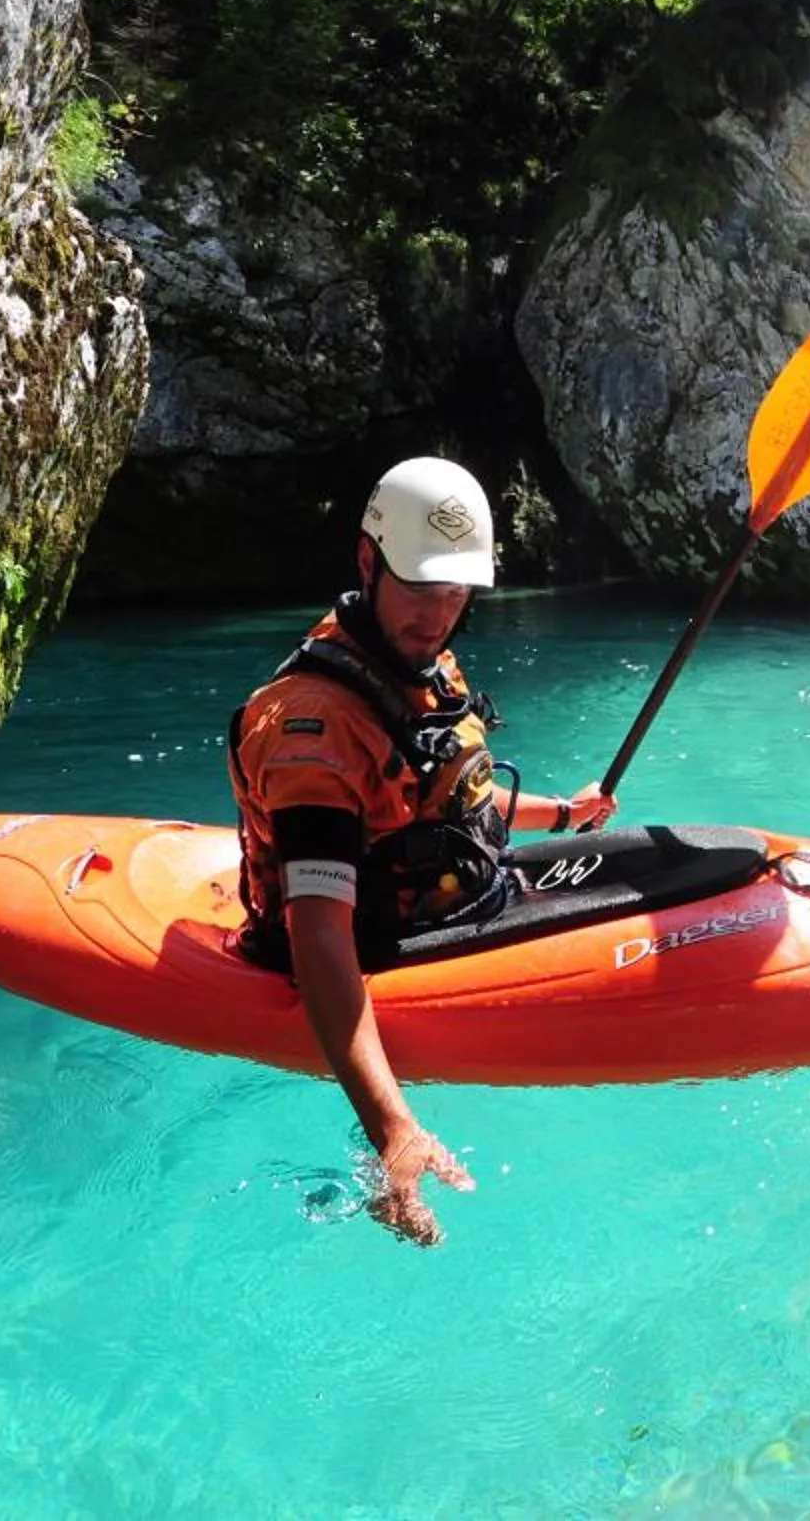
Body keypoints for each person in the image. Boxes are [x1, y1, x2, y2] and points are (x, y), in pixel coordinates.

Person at [227, 455, 614, 1244]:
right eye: (421, 589)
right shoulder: (315, 733)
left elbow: (446, 791)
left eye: (455, 594)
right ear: (368, 562)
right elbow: (321, 936)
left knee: (692, 858)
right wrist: (393, 1127)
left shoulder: (416, 658)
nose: (438, 615)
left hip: (464, 892)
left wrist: (561, 811)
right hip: (392, 938)